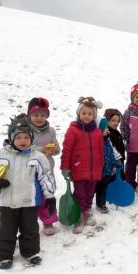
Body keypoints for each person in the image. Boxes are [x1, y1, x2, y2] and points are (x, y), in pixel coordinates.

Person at [0, 114, 56, 269]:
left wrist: (50, 196)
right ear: (11, 137)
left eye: (26, 137)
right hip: (7, 202)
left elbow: (46, 177)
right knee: (6, 230)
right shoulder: (1, 155)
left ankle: (31, 252)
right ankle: (2, 256)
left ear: (31, 138)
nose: (23, 141)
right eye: (19, 137)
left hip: (30, 201)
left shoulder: (38, 157)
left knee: (30, 228)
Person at [61, 97, 104, 234]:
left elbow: (100, 150)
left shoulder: (97, 132)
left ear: (94, 116)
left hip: (94, 170)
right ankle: (78, 215)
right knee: (80, 193)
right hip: (78, 168)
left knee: (90, 193)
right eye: (84, 113)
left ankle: (87, 211)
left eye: (90, 114)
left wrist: (101, 165)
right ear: (79, 114)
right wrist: (65, 167)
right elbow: (66, 150)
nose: (86, 116)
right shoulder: (73, 130)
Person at [26, 97, 61, 236]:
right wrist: (42, 150)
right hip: (32, 171)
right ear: (30, 115)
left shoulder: (51, 131)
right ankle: (30, 223)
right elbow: (25, 148)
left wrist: (54, 149)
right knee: (33, 197)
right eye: (35, 115)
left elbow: (57, 149)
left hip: (47, 171)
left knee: (48, 195)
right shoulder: (27, 130)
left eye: (42, 115)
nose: (39, 118)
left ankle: (48, 221)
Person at [95, 109, 125, 213]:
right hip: (100, 169)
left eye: (118, 121)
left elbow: (114, 150)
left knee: (104, 186)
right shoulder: (99, 141)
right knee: (99, 187)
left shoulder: (110, 137)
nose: (116, 123)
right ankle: (98, 203)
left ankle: (103, 202)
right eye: (113, 121)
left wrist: (118, 159)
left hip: (110, 166)